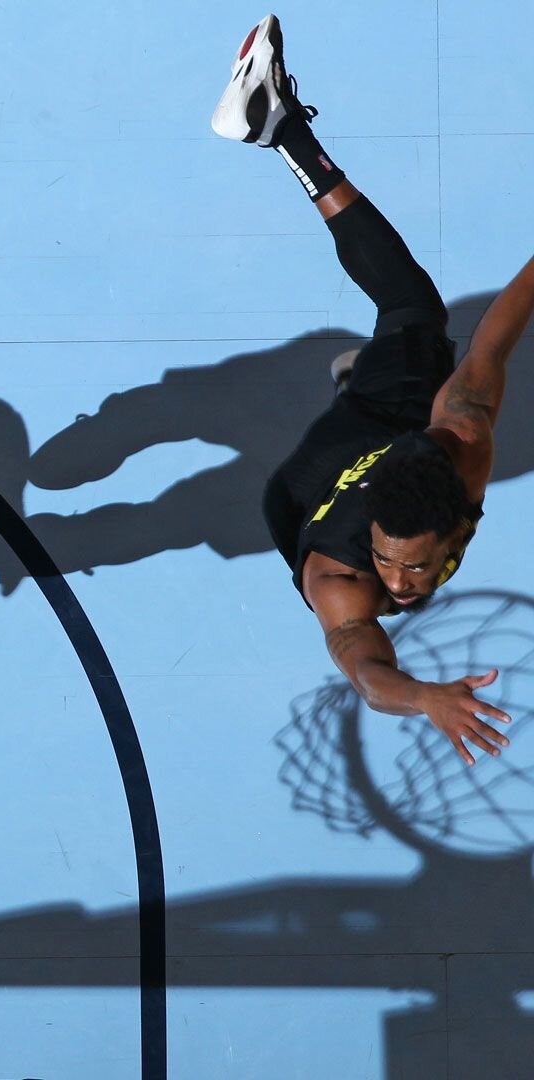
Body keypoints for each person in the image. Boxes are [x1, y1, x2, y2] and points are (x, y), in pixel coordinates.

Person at [218, 14, 534, 764]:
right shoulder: (419, 494)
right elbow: (372, 673)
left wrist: (421, 695)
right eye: (395, 561)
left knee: (415, 311)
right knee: (419, 330)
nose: (397, 580)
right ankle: (361, 372)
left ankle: (276, 129)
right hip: (375, 446)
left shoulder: (343, 574)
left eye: (411, 566)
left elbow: (499, 330)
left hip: (322, 473)